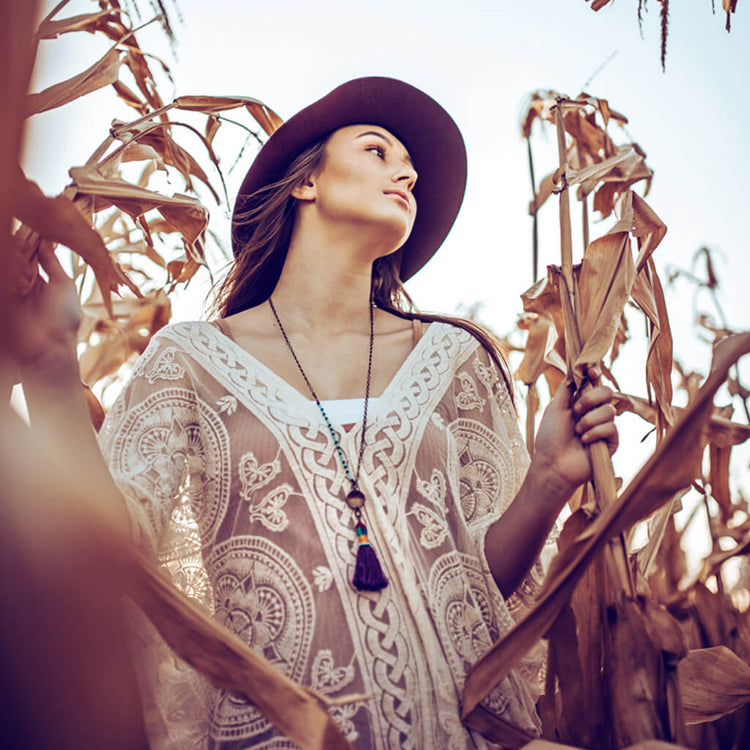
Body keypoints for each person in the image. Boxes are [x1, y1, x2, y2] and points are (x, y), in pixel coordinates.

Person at [12, 77, 618, 748]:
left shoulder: (456, 357)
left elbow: (473, 587)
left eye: (408, 167)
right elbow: (110, 546)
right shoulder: (191, 358)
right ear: (306, 183)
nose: (408, 172)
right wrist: (51, 373)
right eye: (377, 150)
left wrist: (547, 479)